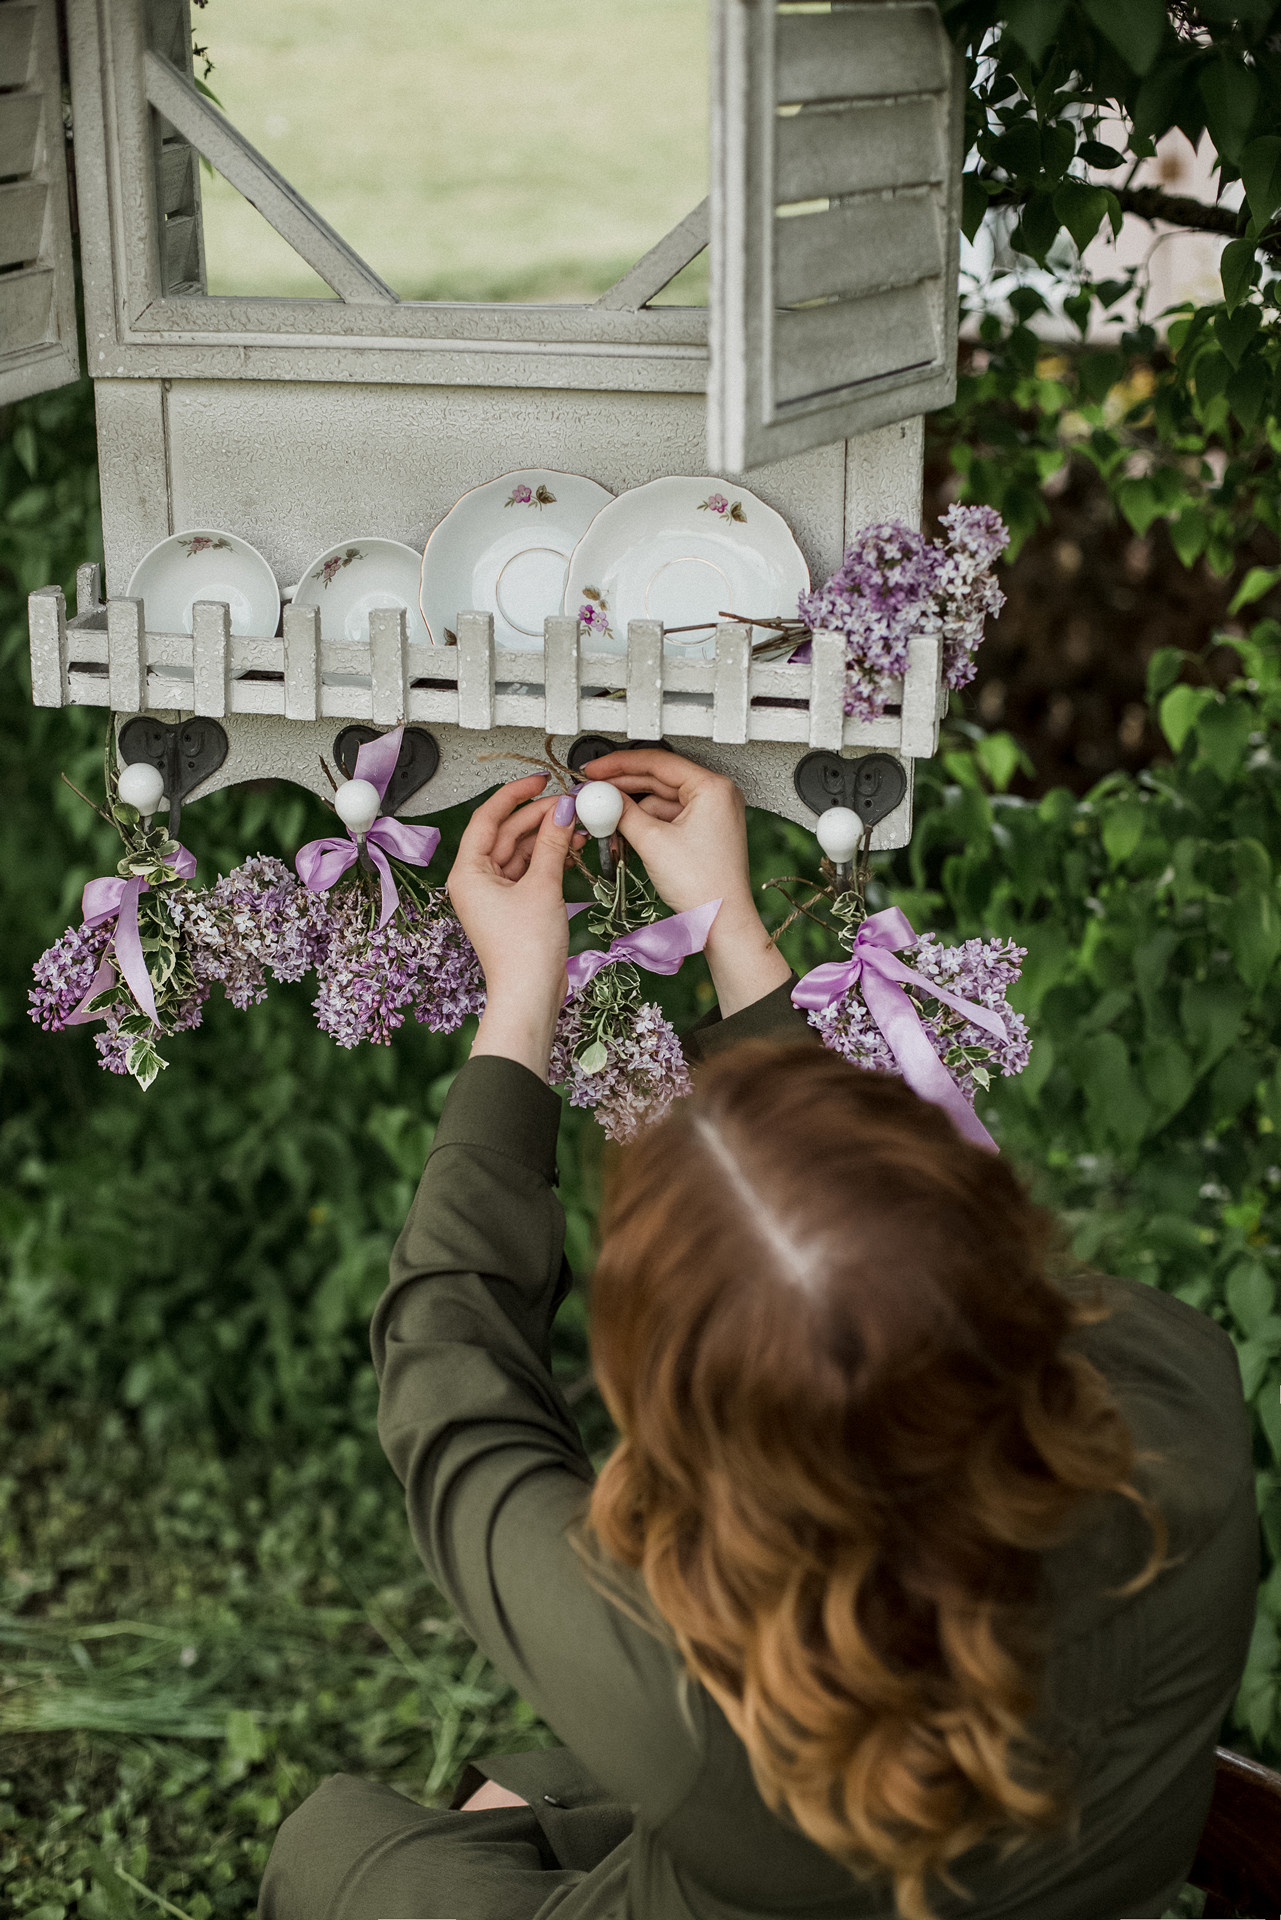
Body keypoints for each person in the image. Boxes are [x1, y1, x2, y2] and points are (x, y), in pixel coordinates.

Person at [258, 749, 1258, 1920]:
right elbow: (902, 1256)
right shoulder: (1178, 1386)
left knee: (332, 1851)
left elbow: (452, 1399)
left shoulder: (689, 1684)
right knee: (541, 1800)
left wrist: (520, 995)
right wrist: (735, 933)